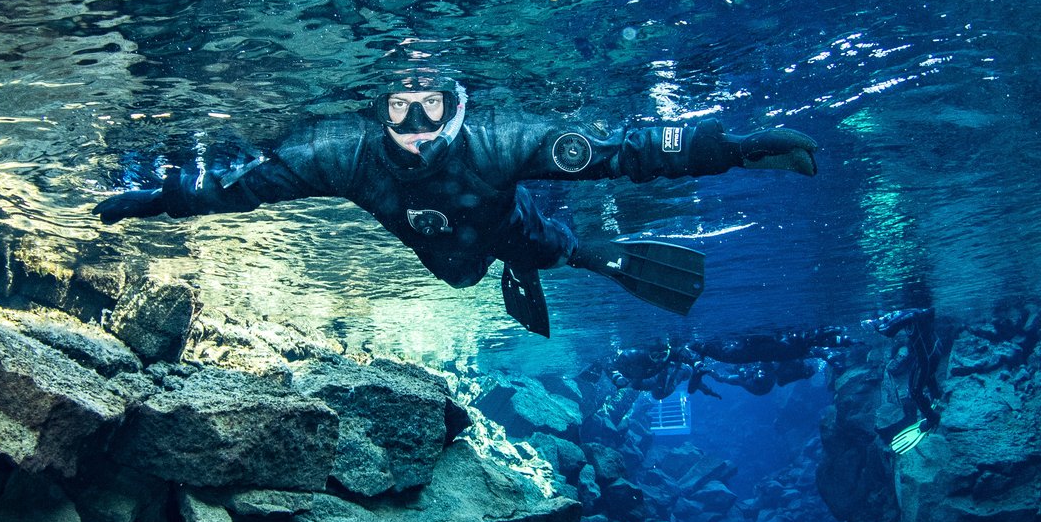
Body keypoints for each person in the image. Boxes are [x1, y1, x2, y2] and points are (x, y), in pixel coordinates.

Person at [96, 73, 819, 335]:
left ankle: (580, 252)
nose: (415, 132)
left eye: (430, 109)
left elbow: (623, 151)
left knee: (535, 239)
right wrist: (157, 200)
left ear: (460, 106)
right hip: (442, 252)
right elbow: (239, 190)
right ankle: (553, 250)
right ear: (375, 111)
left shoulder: (504, 139)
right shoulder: (341, 155)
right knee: (460, 274)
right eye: (399, 110)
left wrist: (739, 144)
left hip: (503, 219)